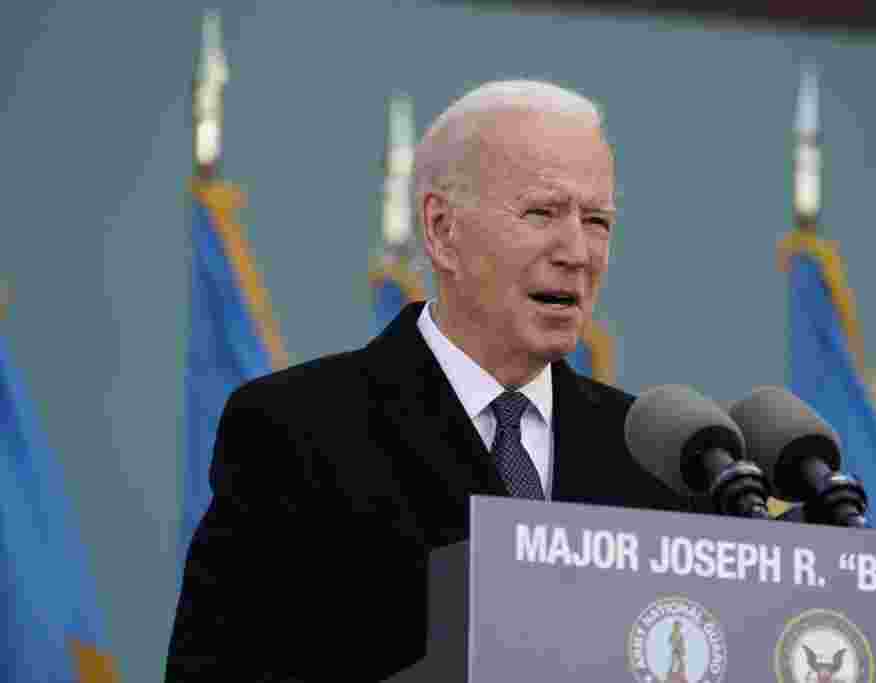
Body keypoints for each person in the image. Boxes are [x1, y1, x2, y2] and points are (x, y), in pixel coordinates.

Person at [165, 80, 709, 683]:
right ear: (442, 230)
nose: (578, 252)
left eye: (598, 220)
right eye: (542, 213)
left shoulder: (651, 456)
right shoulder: (297, 431)